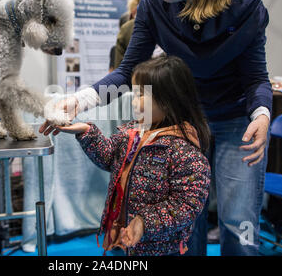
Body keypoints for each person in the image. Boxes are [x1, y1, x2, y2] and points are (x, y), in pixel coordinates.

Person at [41, 0, 272, 256]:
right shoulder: (154, 4)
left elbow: (256, 78)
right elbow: (126, 72)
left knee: (238, 222)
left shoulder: (248, 9)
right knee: (187, 224)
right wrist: (80, 101)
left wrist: (262, 114)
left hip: (235, 123)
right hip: (183, 126)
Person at [55, 56, 210, 256]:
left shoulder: (184, 151)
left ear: (169, 98)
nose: (134, 102)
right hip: (121, 238)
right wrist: (85, 131)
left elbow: (187, 204)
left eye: (140, 95)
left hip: (159, 249)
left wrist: (145, 222)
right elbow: (110, 158)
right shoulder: (132, 132)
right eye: (134, 94)